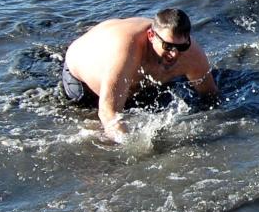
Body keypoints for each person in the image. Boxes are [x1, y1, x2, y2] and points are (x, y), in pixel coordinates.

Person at [62, 8, 218, 141]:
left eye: (181, 47)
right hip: (81, 81)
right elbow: (108, 112)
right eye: (168, 46)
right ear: (151, 36)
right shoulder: (126, 51)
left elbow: (211, 96)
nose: (174, 54)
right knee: (92, 127)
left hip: (134, 80)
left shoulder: (192, 54)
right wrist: (131, 150)